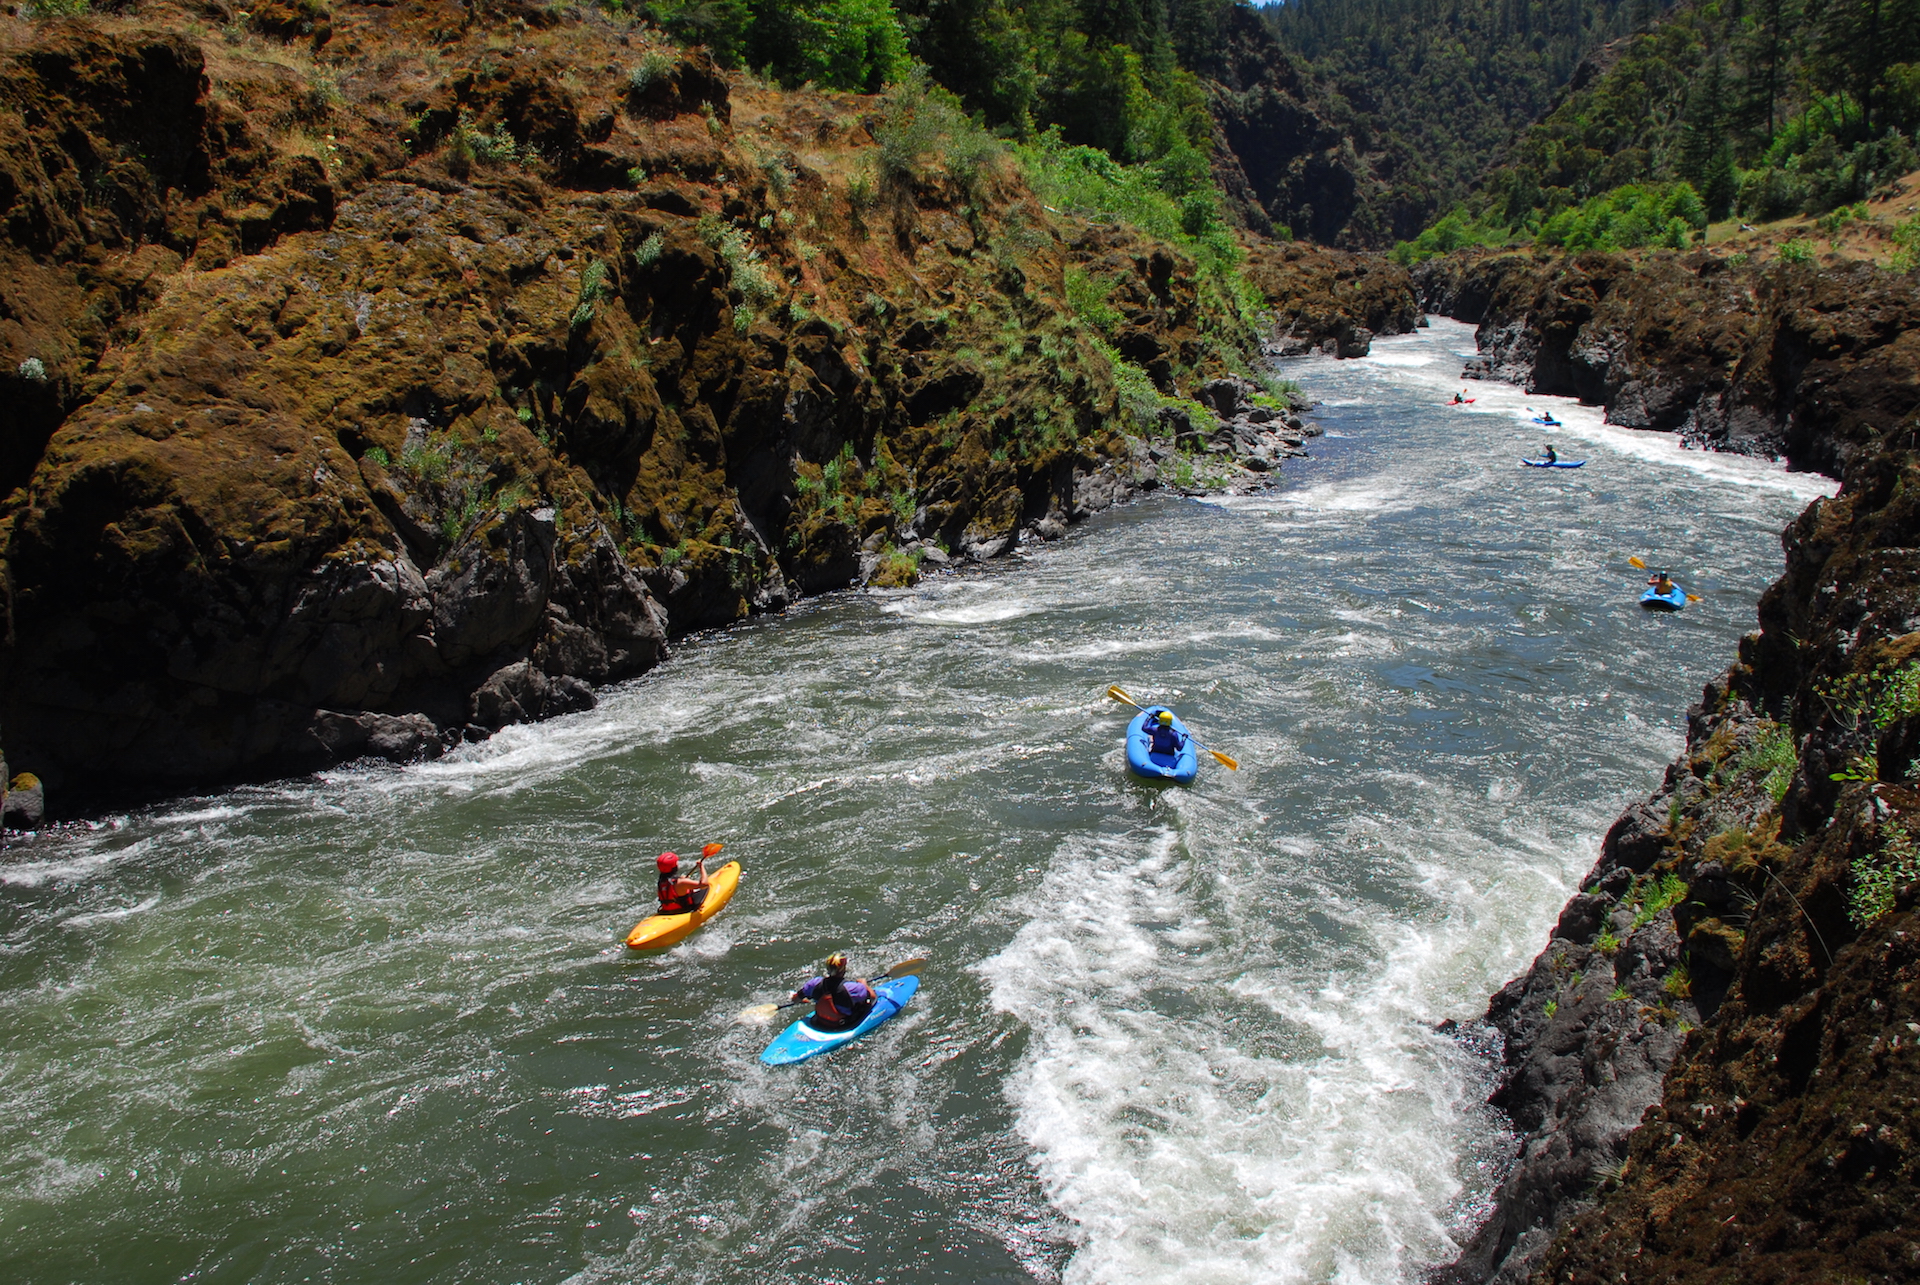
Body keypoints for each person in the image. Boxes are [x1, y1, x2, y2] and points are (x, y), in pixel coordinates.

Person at [791, 953, 876, 1031]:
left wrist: (802, 1000)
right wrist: (864, 984)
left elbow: (795, 999)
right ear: (843, 969)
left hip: (821, 1021)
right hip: (842, 1024)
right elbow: (873, 997)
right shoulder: (853, 988)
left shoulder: (814, 984)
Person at [656, 850, 710, 914]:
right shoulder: (681, 882)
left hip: (666, 912)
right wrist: (701, 867)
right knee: (707, 888)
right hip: (683, 910)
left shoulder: (661, 882)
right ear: (674, 866)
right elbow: (704, 884)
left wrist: (682, 879)